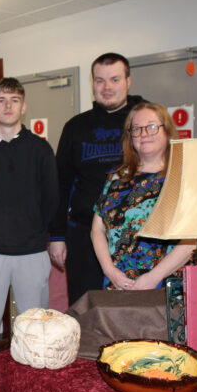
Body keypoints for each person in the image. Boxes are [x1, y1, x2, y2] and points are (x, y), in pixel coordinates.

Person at [0, 77, 59, 392]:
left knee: (35, 330)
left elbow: (53, 199)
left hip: (32, 252)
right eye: (1, 99)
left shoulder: (40, 149)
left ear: (24, 106)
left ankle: (31, 390)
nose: (8, 105)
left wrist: (57, 238)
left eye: (15, 99)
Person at [48, 52, 147, 305]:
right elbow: (61, 182)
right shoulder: (75, 127)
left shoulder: (146, 122)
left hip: (137, 234)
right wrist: (57, 236)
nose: (107, 87)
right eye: (100, 80)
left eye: (114, 79)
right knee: (85, 307)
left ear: (129, 81)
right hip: (83, 236)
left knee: (135, 308)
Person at [90, 102, 196, 291]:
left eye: (152, 127)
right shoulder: (116, 177)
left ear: (167, 131)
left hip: (165, 285)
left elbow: (190, 242)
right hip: (118, 283)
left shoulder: (181, 177)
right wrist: (110, 272)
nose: (144, 134)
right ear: (129, 137)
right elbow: (97, 229)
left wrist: (152, 278)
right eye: (136, 129)